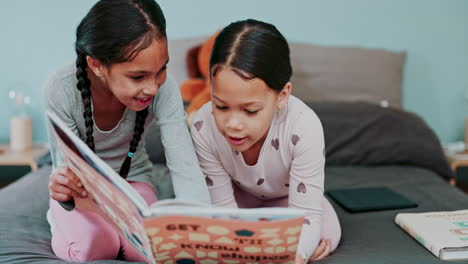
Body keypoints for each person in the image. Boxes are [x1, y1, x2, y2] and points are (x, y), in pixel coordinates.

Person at [44, 0, 210, 261]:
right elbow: (66, 171)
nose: (153, 87)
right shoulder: (62, 89)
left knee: (157, 251)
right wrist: (67, 194)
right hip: (82, 193)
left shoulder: (164, 91)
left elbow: (185, 165)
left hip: (133, 185)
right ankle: (64, 222)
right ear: (97, 65)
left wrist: (202, 231)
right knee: (96, 247)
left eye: (162, 69)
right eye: (138, 77)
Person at [190, 19, 341, 264]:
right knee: (198, 225)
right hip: (236, 200)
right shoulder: (202, 126)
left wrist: (297, 255)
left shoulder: (304, 126)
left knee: (327, 232)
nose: (233, 124)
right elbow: (223, 208)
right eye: (221, 106)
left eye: (250, 111)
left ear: (282, 96)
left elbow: (307, 213)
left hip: (288, 200)